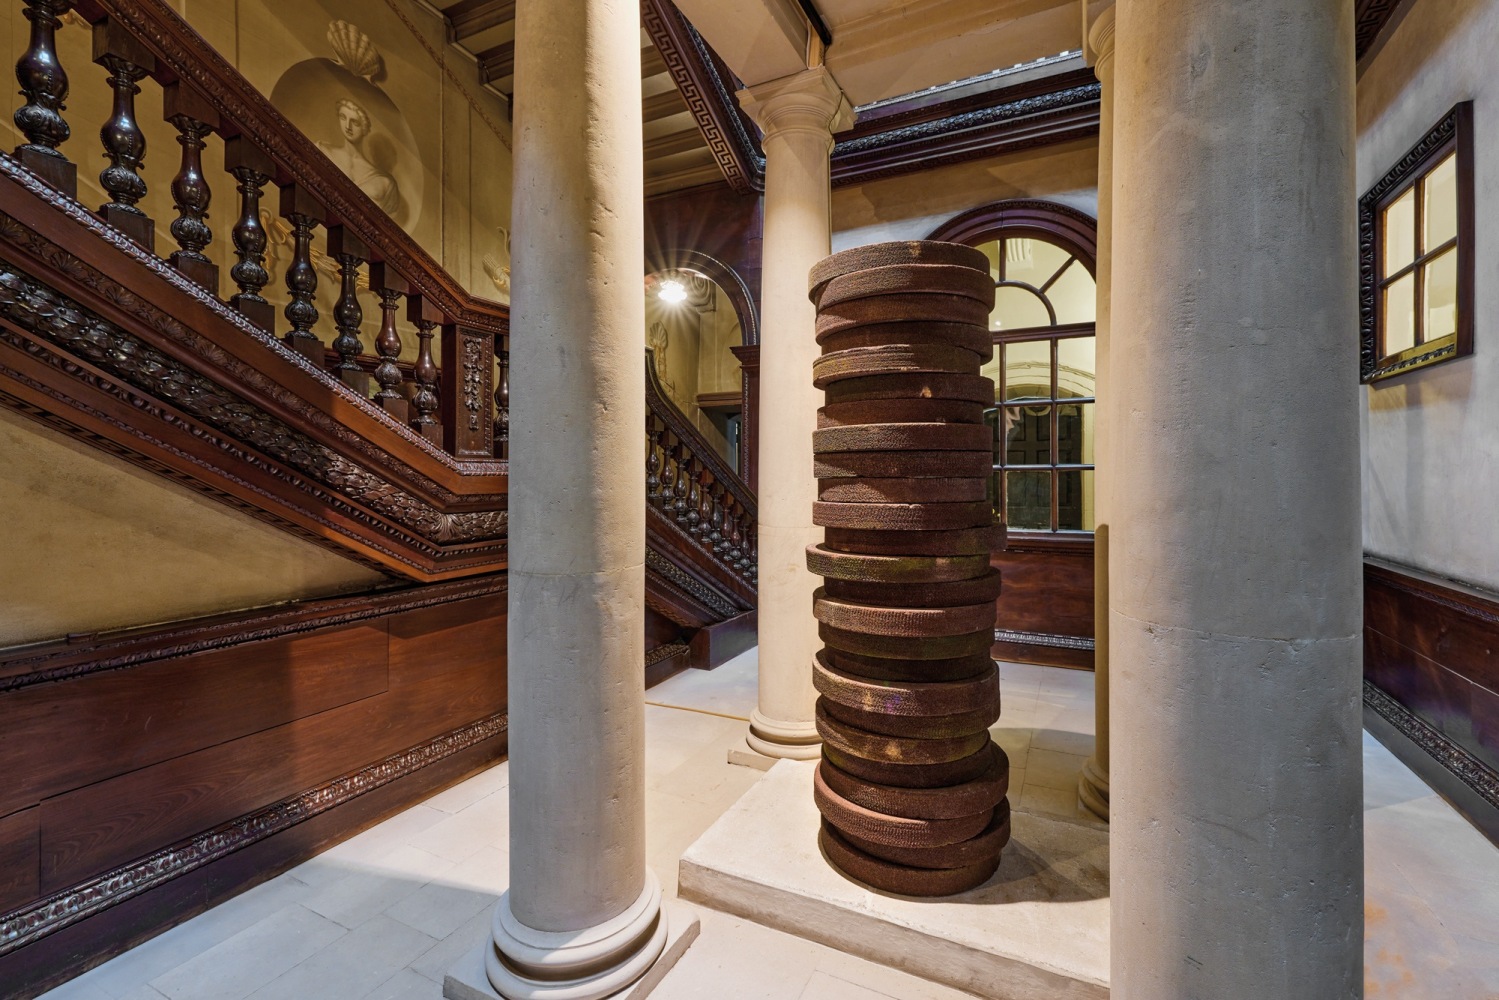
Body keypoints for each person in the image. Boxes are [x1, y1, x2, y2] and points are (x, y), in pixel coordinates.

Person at [317, 98, 400, 216]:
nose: (347, 126)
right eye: (343, 117)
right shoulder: (322, 150)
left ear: (365, 128)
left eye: (355, 122)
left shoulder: (386, 183)